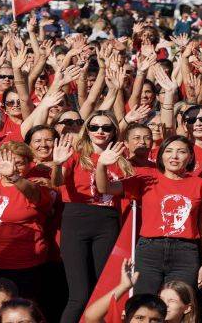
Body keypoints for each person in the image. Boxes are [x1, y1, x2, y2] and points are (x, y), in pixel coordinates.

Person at [96, 136, 202, 294]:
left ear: (190, 157)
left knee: (178, 304)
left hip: (186, 252)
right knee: (144, 302)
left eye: (181, 152)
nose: (174, 156)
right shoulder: (147, 179)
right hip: (149, 251)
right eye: (168, 151)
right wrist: (101, 165)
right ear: (160, 156)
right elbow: (104, 188)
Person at [53, 110, 134, 322]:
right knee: (78, 296)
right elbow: (58, 182)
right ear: (86, 130)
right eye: (94, 127)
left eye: (106, 128)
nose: (100, 131)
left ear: (114, 132)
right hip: (76, 219)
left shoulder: (121, 158)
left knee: (106, 289)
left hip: (107, 221)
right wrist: (58, 164)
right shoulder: (75, 153)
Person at [0, 142, 53, 307]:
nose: (12, 167)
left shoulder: (36, 187)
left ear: (30, 165)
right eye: (7, 161)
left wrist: (15, 177)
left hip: (22, 266)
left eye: (19, 163)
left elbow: (33, 193)